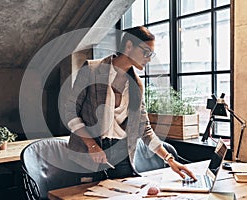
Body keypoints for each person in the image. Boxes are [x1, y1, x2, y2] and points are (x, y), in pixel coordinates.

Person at [64, 26, 196, 181]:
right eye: (146, 52)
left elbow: (144, 129)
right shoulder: (92, 70)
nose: (149, 58)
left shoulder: (137, 85)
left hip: (122, 157)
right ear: (128, 46)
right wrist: (92, 145)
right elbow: (70, 112)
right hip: (88, 155)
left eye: (151, 54)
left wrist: (170, 160)